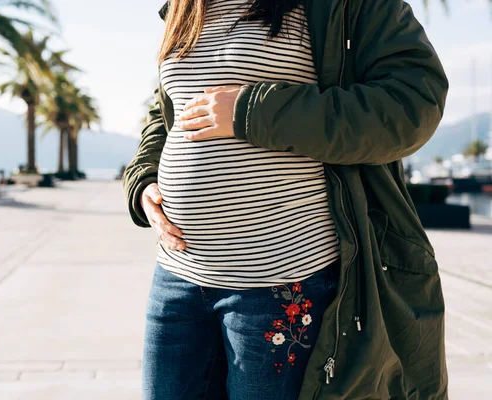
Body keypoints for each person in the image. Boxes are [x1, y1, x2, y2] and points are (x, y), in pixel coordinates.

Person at [121, 0, 450, 399]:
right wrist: (144, 180)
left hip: (280, 282)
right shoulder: (184, 6)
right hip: (178, 277)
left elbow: (412, 103)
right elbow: (169, 111)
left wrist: (251, 111)